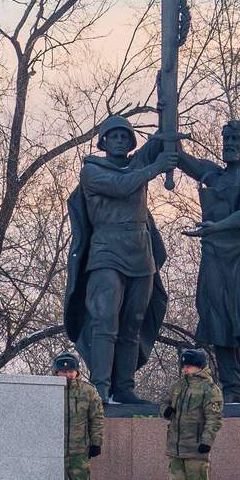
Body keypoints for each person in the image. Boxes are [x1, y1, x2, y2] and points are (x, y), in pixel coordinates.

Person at [63, 115, 176, 404]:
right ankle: (101, 388)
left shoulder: (136, 165)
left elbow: (159, 139)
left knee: (132, 323)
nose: (119, 140)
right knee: (105, 320)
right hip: (106, 251)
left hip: (140, 253)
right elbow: (121, 185)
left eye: (125, 136)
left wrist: (167, 110)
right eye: (113, 136)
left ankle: (124, 388)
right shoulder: (92, 171)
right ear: (103, 141)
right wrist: (155, 168)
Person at [178, 119, 240, 404]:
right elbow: (182, 159)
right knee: (217, 319)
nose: (229, 144)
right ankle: (232, 388)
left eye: (235, 139)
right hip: (214, 256)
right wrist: (168, 122)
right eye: (226, 139)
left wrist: (214, 227)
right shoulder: (214, 174)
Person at [163, 348, 224, 480]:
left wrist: (206, 442)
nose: (184, 369)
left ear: (198, 366)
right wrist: (166, 410)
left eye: (188, 366)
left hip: (196, 448)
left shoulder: (209, 388)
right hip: (176, 448)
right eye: (184, 366)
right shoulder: (178, 386)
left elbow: (214, 418)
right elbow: (165, 402)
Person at [57, 352, 105, 480]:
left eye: (70, 371)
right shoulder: (48, 390)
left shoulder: (88, 391)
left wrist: (96, 442)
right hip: (55, 453)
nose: (67, 375)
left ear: (77, 371)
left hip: (79, 450)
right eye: (62, 371)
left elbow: (97, 419)